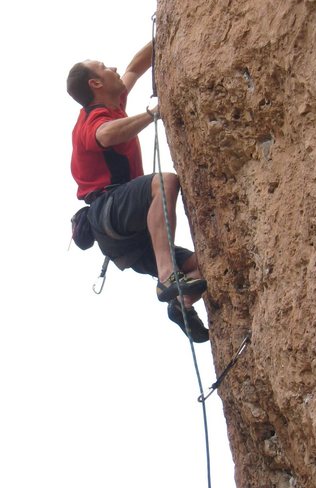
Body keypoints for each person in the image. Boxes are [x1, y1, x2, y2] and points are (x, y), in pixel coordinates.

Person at [67, 41, 209, 342]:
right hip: (107, 212)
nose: (114, 68)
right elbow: (105, 135)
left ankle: (179, 302)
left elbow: (134, 67)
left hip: (130, 236)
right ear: (96, 83)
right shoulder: (92, 120)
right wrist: (151, 114)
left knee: (206, 263)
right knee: (165, 182)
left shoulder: (114, 104)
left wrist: (166, 33)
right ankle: (168, 276)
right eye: (105, 68)